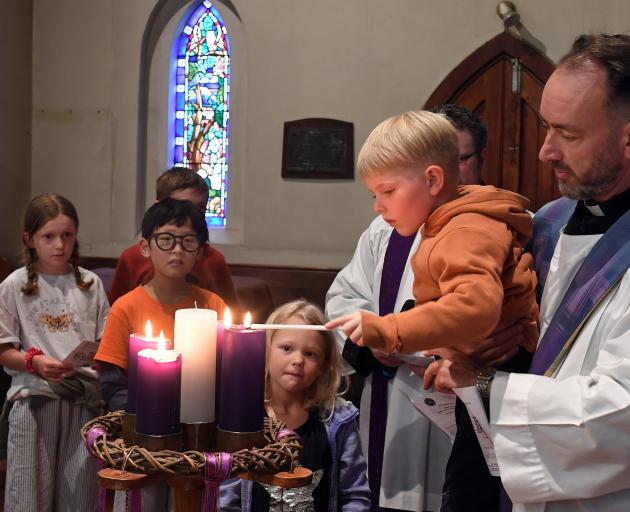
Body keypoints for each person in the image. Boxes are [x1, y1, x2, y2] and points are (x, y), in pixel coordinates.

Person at [422, 33, 630, 512]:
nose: (545, 151)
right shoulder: (545, 225)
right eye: (546, 128)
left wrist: (486, 384)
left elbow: (615, 415)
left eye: (569, 134)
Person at [327, 110, 539, 512]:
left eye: (386, 191)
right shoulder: (392, 229)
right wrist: (373, 341)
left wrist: (396, 329)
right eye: (376, 193)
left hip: (481, 385)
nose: (379, 205)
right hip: (404, 393)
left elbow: (483, 303)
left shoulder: (476, 226)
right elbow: (346, 296)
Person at [0, 193, 109, 511]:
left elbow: (104, 342)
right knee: (28, 494)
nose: (59, 245)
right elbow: (5, 350)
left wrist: (97, 358)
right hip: (35, 399)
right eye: (48, 236)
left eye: (67, 235)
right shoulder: (14, 285)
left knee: (81, 494)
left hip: (82, 400)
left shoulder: (90, 284)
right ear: (29, 239)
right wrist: (35, 362)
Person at [221, 299, 370, 511]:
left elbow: (354, 494)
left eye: (310, 354)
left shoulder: (338, 420)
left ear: (323, 365)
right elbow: (226, 496)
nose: (298, 360)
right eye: (287, 348)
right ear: (266, 350)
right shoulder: (242, 418)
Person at [95, 198, 227, 412]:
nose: (177, 250)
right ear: (145, 247)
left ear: (200, 252)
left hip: (202, 420)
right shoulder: (126, 308)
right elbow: (113, 384)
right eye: (166, 240)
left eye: (188, 241)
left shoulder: (212, 306)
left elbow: (227, 373)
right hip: (144, 426)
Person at [108, 166, 239, 311]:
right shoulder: (132, 258)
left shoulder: (213, 260)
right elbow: (117, 309)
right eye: (183, 206)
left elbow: (230, 317)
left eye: (200, 208)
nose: (192, 214)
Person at [430, 104, 488, 186]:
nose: (445, 172)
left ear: (482, 158)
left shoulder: (503, 198)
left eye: (457, 159)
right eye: (436, 159)